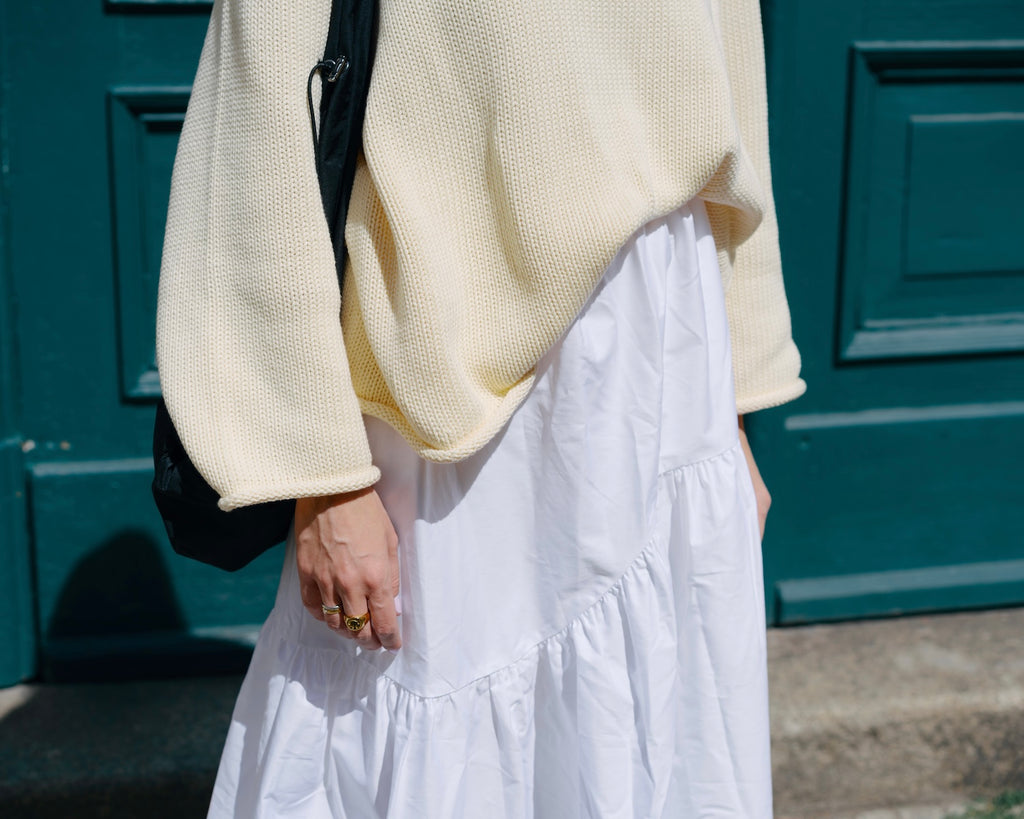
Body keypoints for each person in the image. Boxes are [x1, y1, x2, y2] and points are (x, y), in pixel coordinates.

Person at [156, 0, 805, 816]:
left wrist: (734, 407)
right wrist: (320, 476)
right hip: (449, 377)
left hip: (667, 355)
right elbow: (255, 134)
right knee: (439, 722)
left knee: (647, 731)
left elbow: (732, 105)